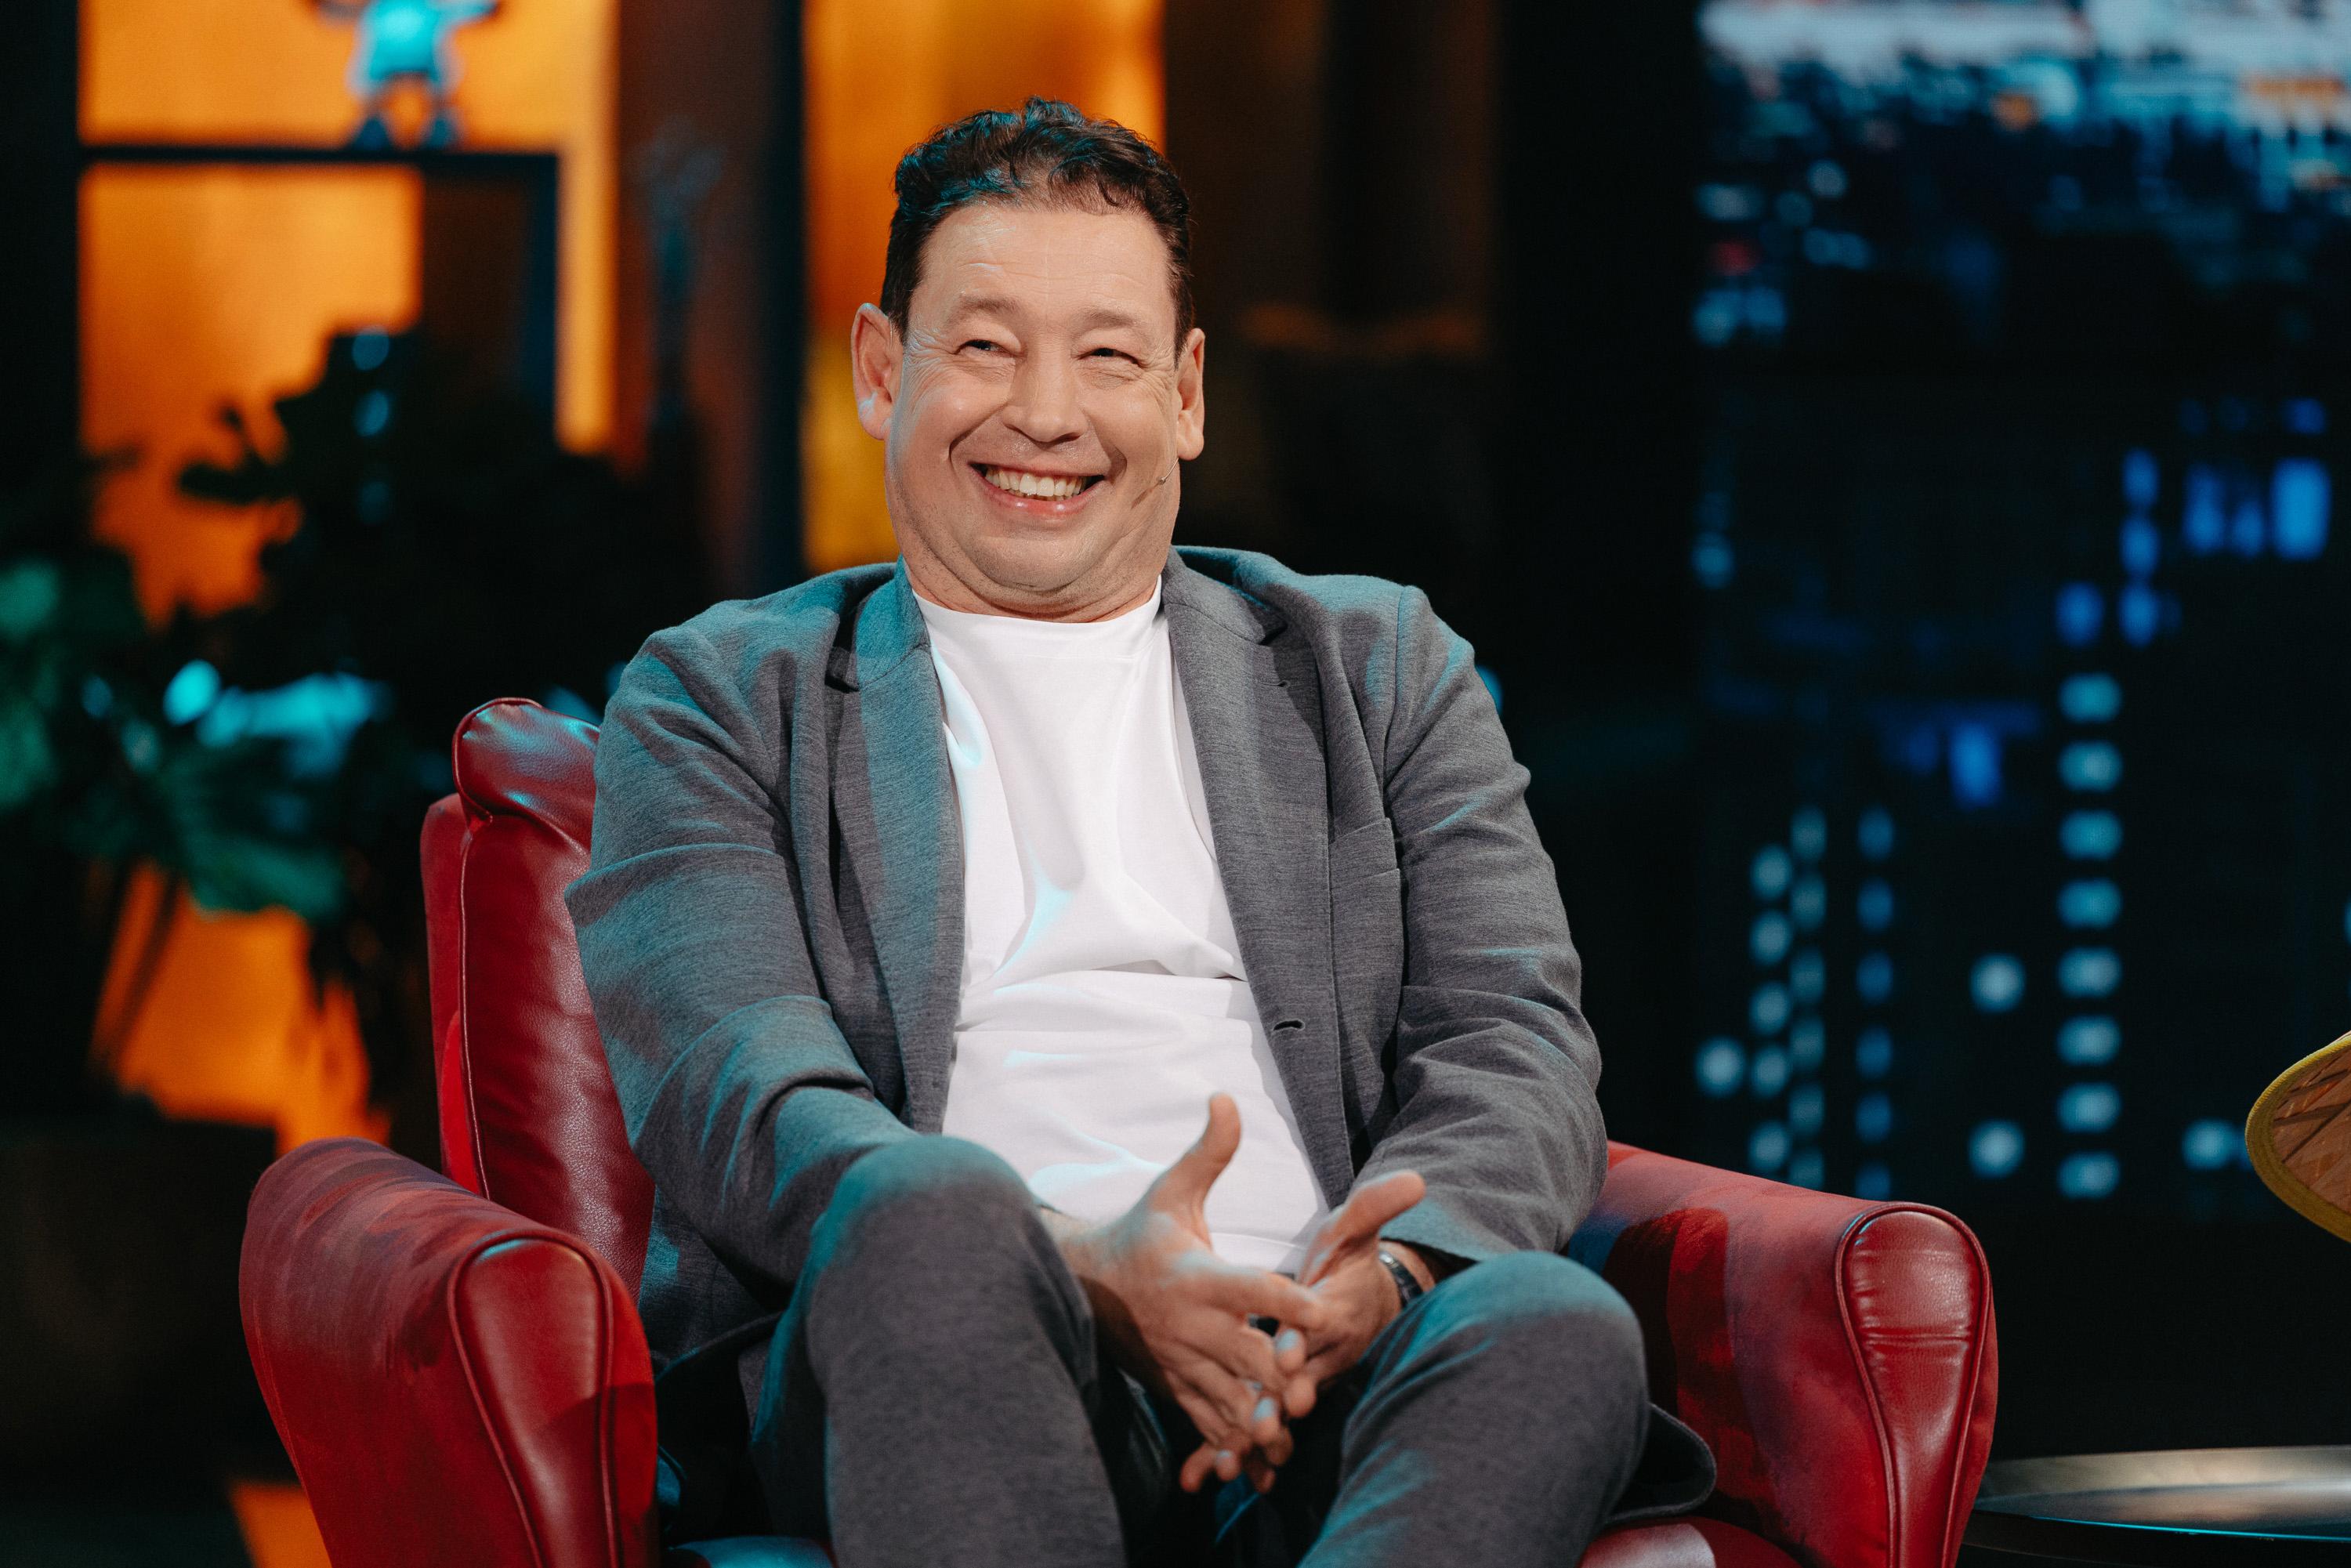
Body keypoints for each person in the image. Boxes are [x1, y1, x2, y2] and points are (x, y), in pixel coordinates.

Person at [564, 97, 1712, 1568]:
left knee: (1552, 1319)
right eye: (986, 346)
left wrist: (1382, 1276)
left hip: (1329, 1361)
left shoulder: (1378, 668)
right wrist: (1091, 1270)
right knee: (925, 1208)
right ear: (881, 370)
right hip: (961, 1339)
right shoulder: (722, 695)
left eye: (1106, 357)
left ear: (1185, 395)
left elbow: (1517, 1042)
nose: (1045, 413)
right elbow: (745, 1095)